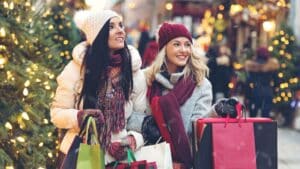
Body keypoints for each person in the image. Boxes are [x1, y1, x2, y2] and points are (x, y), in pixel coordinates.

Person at [50, 9, 147, 167]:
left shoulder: (134, 71)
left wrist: (133, 139)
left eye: (121, 25)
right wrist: (79, 117)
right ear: (97, 34)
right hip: (81, 156)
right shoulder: (76, 69)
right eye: (111, 27)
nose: (120, 31)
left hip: (119, 159)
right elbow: (57, 113)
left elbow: (140, 117)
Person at [143, 22, 213, 169]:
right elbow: (134, 117)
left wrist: (216, 112)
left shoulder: (201, 83)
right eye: (176, 44)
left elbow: (198, 127)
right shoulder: (147, 78)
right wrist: (147, 126)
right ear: (164, 48)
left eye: (187, 44)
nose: (184, 50)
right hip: (153, 160)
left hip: (186, 163)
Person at [245, 46, 279, 117]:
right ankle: (264, 127)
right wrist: (274, 90)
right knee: (266, 114)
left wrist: (247, 96)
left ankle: (254, 127)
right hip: (267, 91)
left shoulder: (252, 66)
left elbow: (248, 82)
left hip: (255, 91)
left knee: (253, 114)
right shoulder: (272, 66)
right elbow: (277, 81)